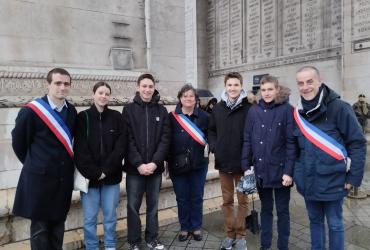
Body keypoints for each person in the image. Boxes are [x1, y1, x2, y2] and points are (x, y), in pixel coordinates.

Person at [293, 66, 366, 250]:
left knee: (335, 224)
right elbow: (294, 149)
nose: (305, 87)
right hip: (308, 182)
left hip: (334, 181)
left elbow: (357, 143)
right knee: (314, 222)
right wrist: (298, 174)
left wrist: (353, 178)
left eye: (310, 81)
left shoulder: (340, 108)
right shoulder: (298, 113)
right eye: (300, 83)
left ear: (319, 80)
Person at [11, 68, 77, 250]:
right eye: (58, 83)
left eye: (66, 84)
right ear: (48, 84)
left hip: (62, 180)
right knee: (40, 230)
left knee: (58, 228)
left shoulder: (71, 111)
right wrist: (36, 164)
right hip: (39, 180)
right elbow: (19, 144)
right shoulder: (31, 111)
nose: (62, 87)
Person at [241, 75, 295, 250]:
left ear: (277, 90)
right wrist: (246, 167)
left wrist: (289, 171)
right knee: (266, 210)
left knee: (283, 212)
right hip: (261, 171)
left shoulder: (287, 110)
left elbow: (290, 143)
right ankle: (265, 246)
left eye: (270, 89)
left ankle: (283, 246)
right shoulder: (253, 111)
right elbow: (247, 139)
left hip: (281, 173)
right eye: (263, 90)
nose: (266, 93)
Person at [74, 82, 126, 250]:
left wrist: (106, 170)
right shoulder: (83, 117)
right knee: (89, 219)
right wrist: (95, 173)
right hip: (90, 179)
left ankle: (110, 244)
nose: (103, 96)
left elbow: (121, 146)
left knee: (110, 216)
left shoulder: (117, 117)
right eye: (100, 92)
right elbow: (80, 150)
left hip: (111, 178)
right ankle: (92, 246)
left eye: (106, 93)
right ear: (93, 94)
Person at [123, 73, 170, 250]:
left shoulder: (161, 110)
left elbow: (165, 139)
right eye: (144, 86)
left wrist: (155, 163)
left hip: (155, 169)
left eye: (150, 86)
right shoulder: (128, 110)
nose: (147, 89)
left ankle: (152, 239)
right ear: (138, 87)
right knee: (133, 207)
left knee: (153, 206)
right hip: (135, 170)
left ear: (153, 88)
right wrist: (139, 164)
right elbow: (127, 140)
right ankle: (134, 241)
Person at [208, 72, 252, 250]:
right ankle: (229, 234)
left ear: (241, 86)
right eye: (229, 85)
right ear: (225, 87)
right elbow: (211, 130)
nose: (232, 88)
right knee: (227, 201)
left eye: (236, 85)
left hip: (243, 164)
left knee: (243, 201)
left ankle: (241, 235)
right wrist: (214, 146)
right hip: (224, 163)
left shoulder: (249, 108)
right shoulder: (218, 108)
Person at [168, 84, 209, 242]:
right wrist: (168, 160)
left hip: (199, 164)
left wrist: (209, 145)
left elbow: (211, 135)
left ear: (195, 99)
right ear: (180, 98)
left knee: (197, 196)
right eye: (185, 96)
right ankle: (184, 227)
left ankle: (196, 226)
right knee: (182, 198)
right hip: (178, 165)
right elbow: (167, 139)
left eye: (191, 96)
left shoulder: (205, 117)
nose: (188, 98)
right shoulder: (171, 117)